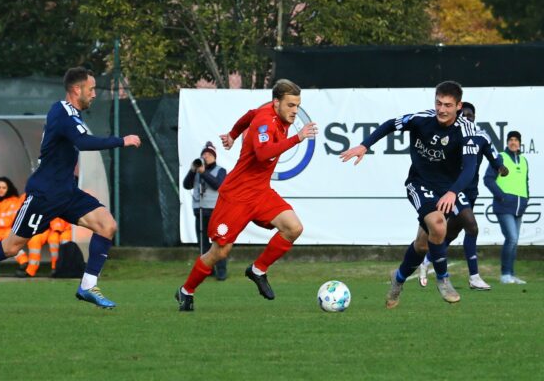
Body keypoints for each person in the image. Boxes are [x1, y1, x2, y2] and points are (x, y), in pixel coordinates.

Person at [0, 66, 141, 315]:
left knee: (107, 225)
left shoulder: (73, 115)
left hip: (67, 193)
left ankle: (88, 286)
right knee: (11, 247)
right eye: (91, 89)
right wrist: (121, 140)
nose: (94, 94)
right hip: (44, 196)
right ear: (76, 89)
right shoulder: (61, 111)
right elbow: (83, 141)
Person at [175, 79, 318, 311]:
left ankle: (258, 270)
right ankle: (186, 291)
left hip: (260, 192)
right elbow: (262, 154)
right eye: (290, 105)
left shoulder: (268, 113)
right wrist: (297, 138)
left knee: (293, 228)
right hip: (237, 195)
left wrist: (232, 134)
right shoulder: (265, 122)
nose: (295, 111)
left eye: (297, 106)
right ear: (276, 103)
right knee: (220, 251)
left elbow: (248, 114)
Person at [341, 81, 478, 308]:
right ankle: (443, 279)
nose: (442, 109)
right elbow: (389, 125)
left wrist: (453, 191)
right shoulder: (421, 119)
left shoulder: (467, 130)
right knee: (439, 225)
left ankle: (398, 278)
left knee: (422, 245)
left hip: (447, 190)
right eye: (438, 103)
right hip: (420, 184)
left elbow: (471, 167)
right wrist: (365, 145)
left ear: (458, 106)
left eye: (448, 105)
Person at [418, 102, 508, 290]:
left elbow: (493, 156)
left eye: (471, 115)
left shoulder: (481, 136)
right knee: (472, 227)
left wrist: (500, 166)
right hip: (453, 190)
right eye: (464, 114)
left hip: (471, 191)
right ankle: (474, 277)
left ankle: (426, 260)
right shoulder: (453, 135)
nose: (467, 117)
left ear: (475, 117)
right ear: (458, 114)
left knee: (451, 232)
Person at [483, 131, 529, 284]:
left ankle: (511, 274)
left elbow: (525, 182)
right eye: (510, 140)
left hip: (518, 207)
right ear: (507, 142)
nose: (513, 142)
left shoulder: (523, 160)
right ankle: (505, 275)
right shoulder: (501, 157)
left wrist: (525, 199)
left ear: (520, 143)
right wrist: (502, 196)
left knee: (514, 241)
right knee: (512, 238)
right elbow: (488, 179)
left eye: (516, 140)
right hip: (504, 206)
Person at [182, 141, 228, 280]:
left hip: (216, 211)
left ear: (214, 157)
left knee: (219, 242)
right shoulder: (197, 170)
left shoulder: (220, 170)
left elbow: (218, 185)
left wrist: (204, 173)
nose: (206, 156)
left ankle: (221, 271)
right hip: (200, 211)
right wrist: (192, 170)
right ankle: (207, 270)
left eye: (209, 154)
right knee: (203, 243)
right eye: (204, 154)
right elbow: (186, 185)